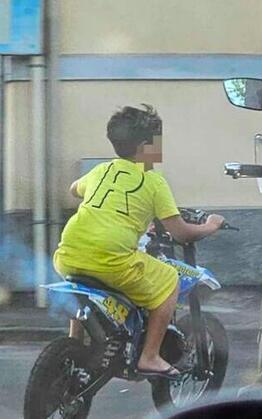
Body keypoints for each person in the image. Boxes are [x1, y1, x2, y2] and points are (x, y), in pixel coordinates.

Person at [53, 105, 224, 379]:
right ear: (146, 146)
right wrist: (210, 226)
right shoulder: (153, 182)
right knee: (169, 278)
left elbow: (74, 189)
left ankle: (77, 345)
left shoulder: (102, 170)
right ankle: (150, 356)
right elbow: (181, 233)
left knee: (80, 287)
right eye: (159, 142)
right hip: (110, 259)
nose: (161, 148)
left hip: (68, 254)